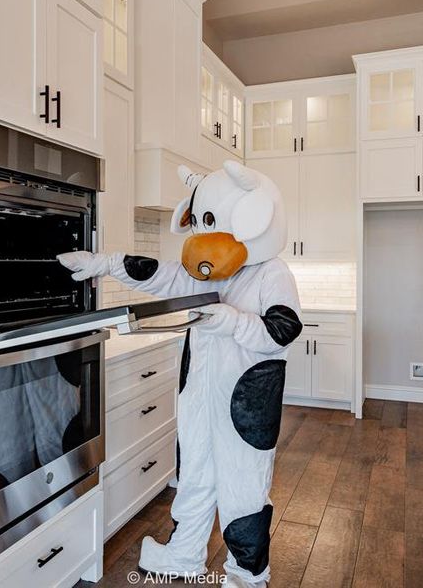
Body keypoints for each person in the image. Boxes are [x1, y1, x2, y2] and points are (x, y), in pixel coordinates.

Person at [58, 160, 302, 588]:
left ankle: (247, 574)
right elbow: (160, 275)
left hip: (246, 403)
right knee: (194, 475)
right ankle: (185, 553)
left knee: (243, 487)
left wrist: (229, 320)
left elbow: (283, 330)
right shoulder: (201, 271)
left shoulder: (272, 272)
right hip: (198, 397)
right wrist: (104, 263)